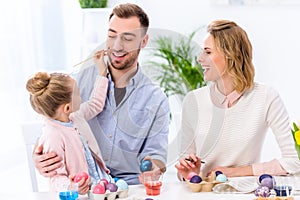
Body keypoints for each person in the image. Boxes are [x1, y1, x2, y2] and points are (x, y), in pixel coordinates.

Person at [33, 3, 170, 185]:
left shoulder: (156, 98)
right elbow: (53, 120)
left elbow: (156, 153)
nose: (117, 46)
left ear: (143, 42)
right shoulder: (75, 84)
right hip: (85, 187)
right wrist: (41, 152)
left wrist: (152, 166)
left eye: (127, 38)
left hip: (129, 188)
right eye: (112, 35)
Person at [175, 19, 300, 180]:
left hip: (246, 193)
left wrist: (236, 172)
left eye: (208, 52)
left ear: (230, 55)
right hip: (204, 194)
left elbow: (294, 161)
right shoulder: (193, 101)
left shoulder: (266, 96)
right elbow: (184, 168)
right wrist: (189, 173)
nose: (199, 58)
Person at [27, 50, 110, 194]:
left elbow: (96, 103)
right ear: (67, 107)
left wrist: (102, 72)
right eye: (77, 93)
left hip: (102, 184)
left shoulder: (75, 116)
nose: (81, 95)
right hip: (83, 194)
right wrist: (72, 188)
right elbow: (56, 177)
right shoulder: (53, 136)